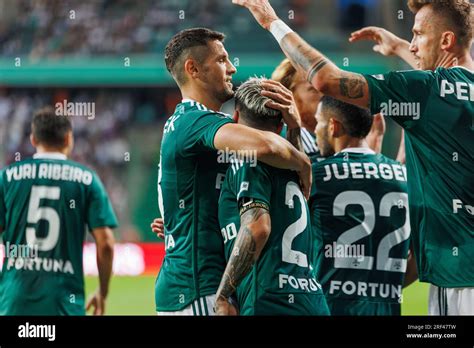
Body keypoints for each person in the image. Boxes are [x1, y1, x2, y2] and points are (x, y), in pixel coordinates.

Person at [233, 0, 474, 315]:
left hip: (458, 275)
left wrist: (271, 21)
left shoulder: (426, 90)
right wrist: (400, 45)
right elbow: (445, 84)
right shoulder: (455, 89)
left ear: (445, 41)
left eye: (418, 35)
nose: (413, 47)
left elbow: (326, 80)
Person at [155, 28, 311, 315]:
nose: (232, 67)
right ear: (193, 69)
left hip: (194, 285)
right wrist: (303, 161)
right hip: (199, 288)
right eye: (221, 60)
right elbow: (264, 146)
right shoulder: (195, 121)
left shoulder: (192, 125)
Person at [214, 77, 329, 315]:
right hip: (312, 299)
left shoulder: (248, 159)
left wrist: (223, 295)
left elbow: (258, 227)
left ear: (235, 119)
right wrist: (295, 128)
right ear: (280, 127)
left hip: (269, 299)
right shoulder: (295, 166)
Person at [0, 107, 117, 315]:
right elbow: (105, 242)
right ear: (68, 139)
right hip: (63, 303)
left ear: (33, 139)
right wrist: (103, 291)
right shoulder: (86, 179)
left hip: (14, 300)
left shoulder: (7, 177)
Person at [311, 96, 414, 315]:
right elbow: (416, 261)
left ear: (333, 126)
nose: (315, 131)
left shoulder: (316, 177)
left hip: (332, 308)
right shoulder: (405, 177)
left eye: (318, 122)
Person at [272, 58, 386, 159]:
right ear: (287, 95)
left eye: (330, 86)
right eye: (315, 88)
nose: (328, 93)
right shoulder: (281, 141)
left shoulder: (344, 139)